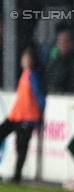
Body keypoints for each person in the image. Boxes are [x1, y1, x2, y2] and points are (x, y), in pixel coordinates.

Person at [0, 47, 45, 183]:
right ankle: (16, 176)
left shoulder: (32, 75)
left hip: (27, 117)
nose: (25, 61)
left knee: (21, 147)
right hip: (16, 115)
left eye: (28, 58)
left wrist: (39, 115)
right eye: (24, 58)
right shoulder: (25, 74)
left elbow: (39, 96)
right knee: (18, 145)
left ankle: (17, 176)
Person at [46, 23, 74, 93]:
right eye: (60, 40)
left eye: (65, 41)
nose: (62, 44)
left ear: (71, 42)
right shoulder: (52, 61)